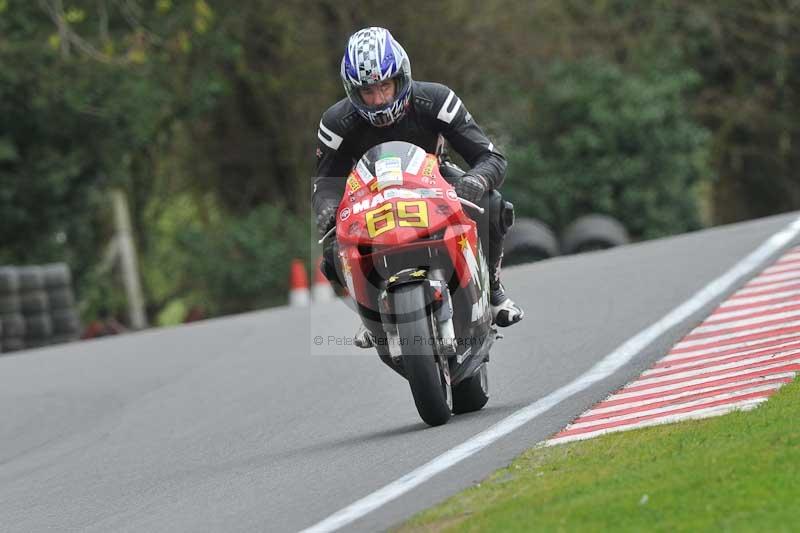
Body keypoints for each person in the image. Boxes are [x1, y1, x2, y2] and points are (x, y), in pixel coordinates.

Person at [313, 27, 523, 348]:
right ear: (352, 91)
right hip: (370, 196)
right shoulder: (335, 122)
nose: (379, 99)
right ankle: (369, 316)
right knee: (330, 251)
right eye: (368, 92)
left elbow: (489, 156)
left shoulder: (437, 100)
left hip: (434, 182)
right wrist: (328, 209)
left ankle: (494, 292)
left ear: (402, 76)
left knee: (493, 205)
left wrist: (475, 180)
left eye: (386, 86)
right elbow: (326, 183)